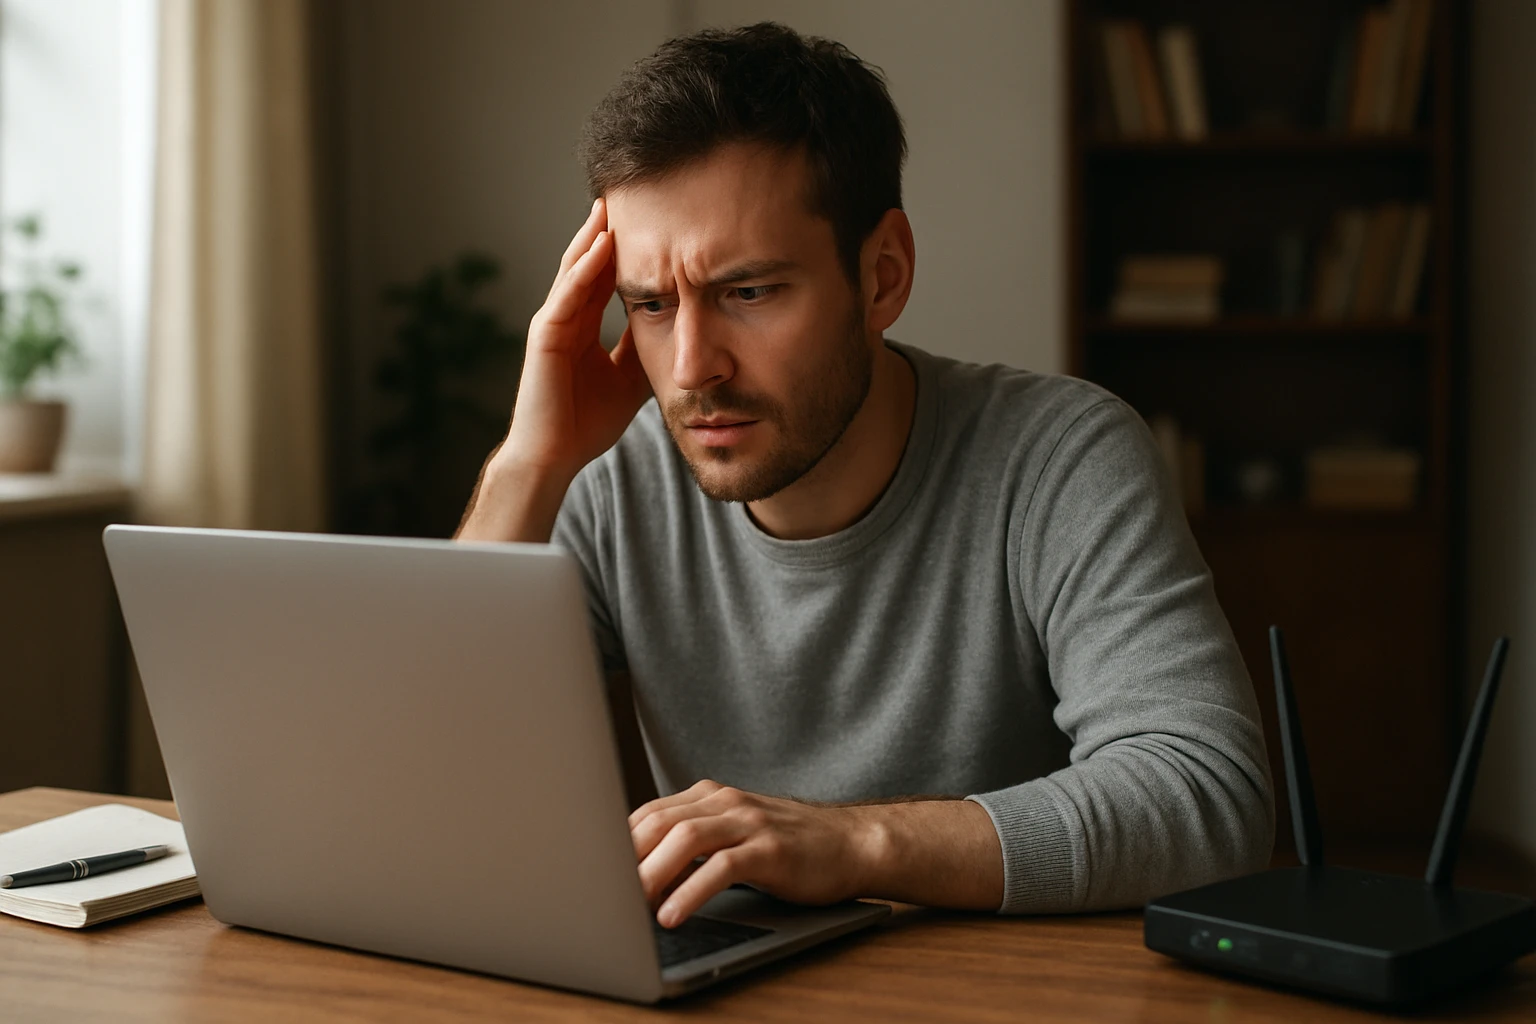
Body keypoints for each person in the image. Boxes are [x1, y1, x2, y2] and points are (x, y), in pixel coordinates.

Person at [456, 22, 1274, 930]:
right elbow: (423, 767)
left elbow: (1206, 798)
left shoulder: (1060, 458)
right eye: (650, 304)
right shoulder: (609, 483)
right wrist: (529, 467)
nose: (690, 367)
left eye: (748, 291)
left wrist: (851, 845)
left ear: (882, 275)